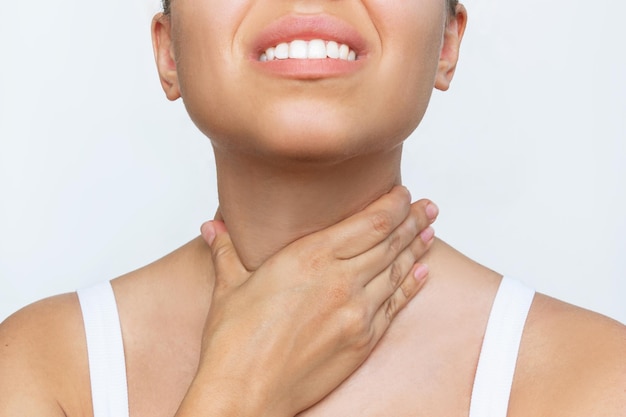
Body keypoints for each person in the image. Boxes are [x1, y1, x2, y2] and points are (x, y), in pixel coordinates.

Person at [1, 1, 625, 417]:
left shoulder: (594, 381)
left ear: (447, 43)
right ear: (169, 54)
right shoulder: (40, 371)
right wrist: (234, 391)